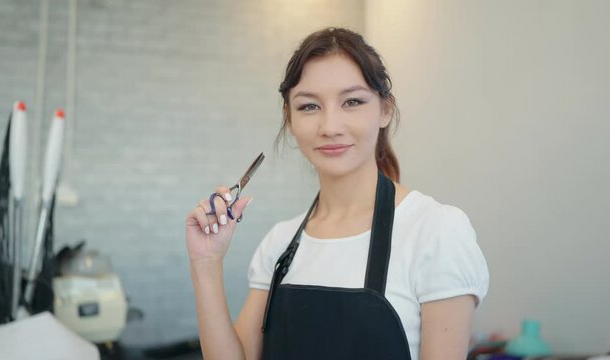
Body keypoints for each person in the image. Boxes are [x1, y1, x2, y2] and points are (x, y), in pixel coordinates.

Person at [185, 27, 489, 360]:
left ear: (385, 109)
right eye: (309, 106)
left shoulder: (436, 232)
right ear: (289, 119)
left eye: (352, 102)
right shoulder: (279, 244)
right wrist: (207, 262)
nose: (330, 126)